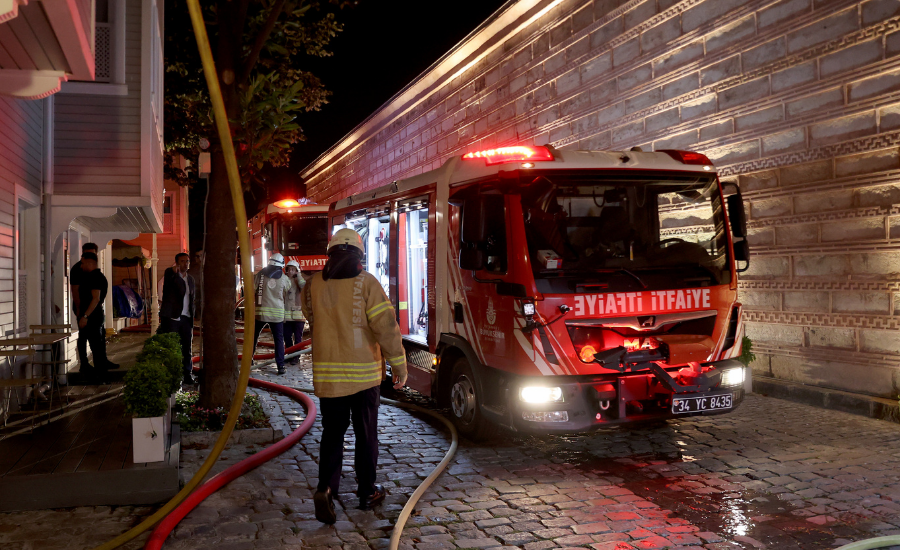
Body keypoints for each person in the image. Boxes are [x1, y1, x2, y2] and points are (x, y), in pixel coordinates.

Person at [301, 228, 408, 523]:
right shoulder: (367, 283)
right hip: (364, 378)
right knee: (366, 435)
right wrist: (399, 364)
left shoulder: (312, 285)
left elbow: (310, 316)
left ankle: (326, 488)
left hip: (329, 378)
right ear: (359, 255)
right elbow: (385, 327)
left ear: (330, 253)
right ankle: (366, 492)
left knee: (332, 435)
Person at [157, 253, 196, 384]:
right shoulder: (171, 275)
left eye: (187, 261)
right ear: (177, 263)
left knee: (187, 347)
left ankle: (187, 374)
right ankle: (172, 374)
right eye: (183, 261)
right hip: (172, 317)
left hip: (186, 317)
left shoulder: (190, 279)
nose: (186, 263)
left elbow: (192, 298)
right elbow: (169, 274)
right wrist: (174, 271)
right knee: (172, 346)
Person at [251, 253, 293, 375]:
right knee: (279, 340)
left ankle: (249, 361)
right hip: (277, 315)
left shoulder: (260, 274)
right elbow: (287, 289)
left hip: (260, 313)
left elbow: (253, 288)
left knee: (253, 338)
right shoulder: (284, 278)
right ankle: (280, 366)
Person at [76, 253, 114, 384]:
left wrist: (85, 316)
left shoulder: (96, 278)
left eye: (83, 263)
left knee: (96, 348)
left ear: (90, 263)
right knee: (88, 344)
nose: (81, 266)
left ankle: (101, 377)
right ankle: (91, 370)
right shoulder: (92, 277)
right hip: (91, 316)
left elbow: (96, 298)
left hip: (92, 317)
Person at [283, 260, 306, 365]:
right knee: (287, 337)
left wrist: (299, 276)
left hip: (298, 316)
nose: (291, 271)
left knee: (298, 338)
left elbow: (303, 287)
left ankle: (296, 357)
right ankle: (289, 355)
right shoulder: (283, 280)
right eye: (289, 269)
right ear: (286, 270)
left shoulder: (300, 280)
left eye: (293, 269)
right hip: (286, 316)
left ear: (297, 270)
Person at [187, 250, 204, 321]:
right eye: (197, 256)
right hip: (196, 304)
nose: (200, 258)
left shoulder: (212, 270)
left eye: (201, 255)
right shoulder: (190, 272)